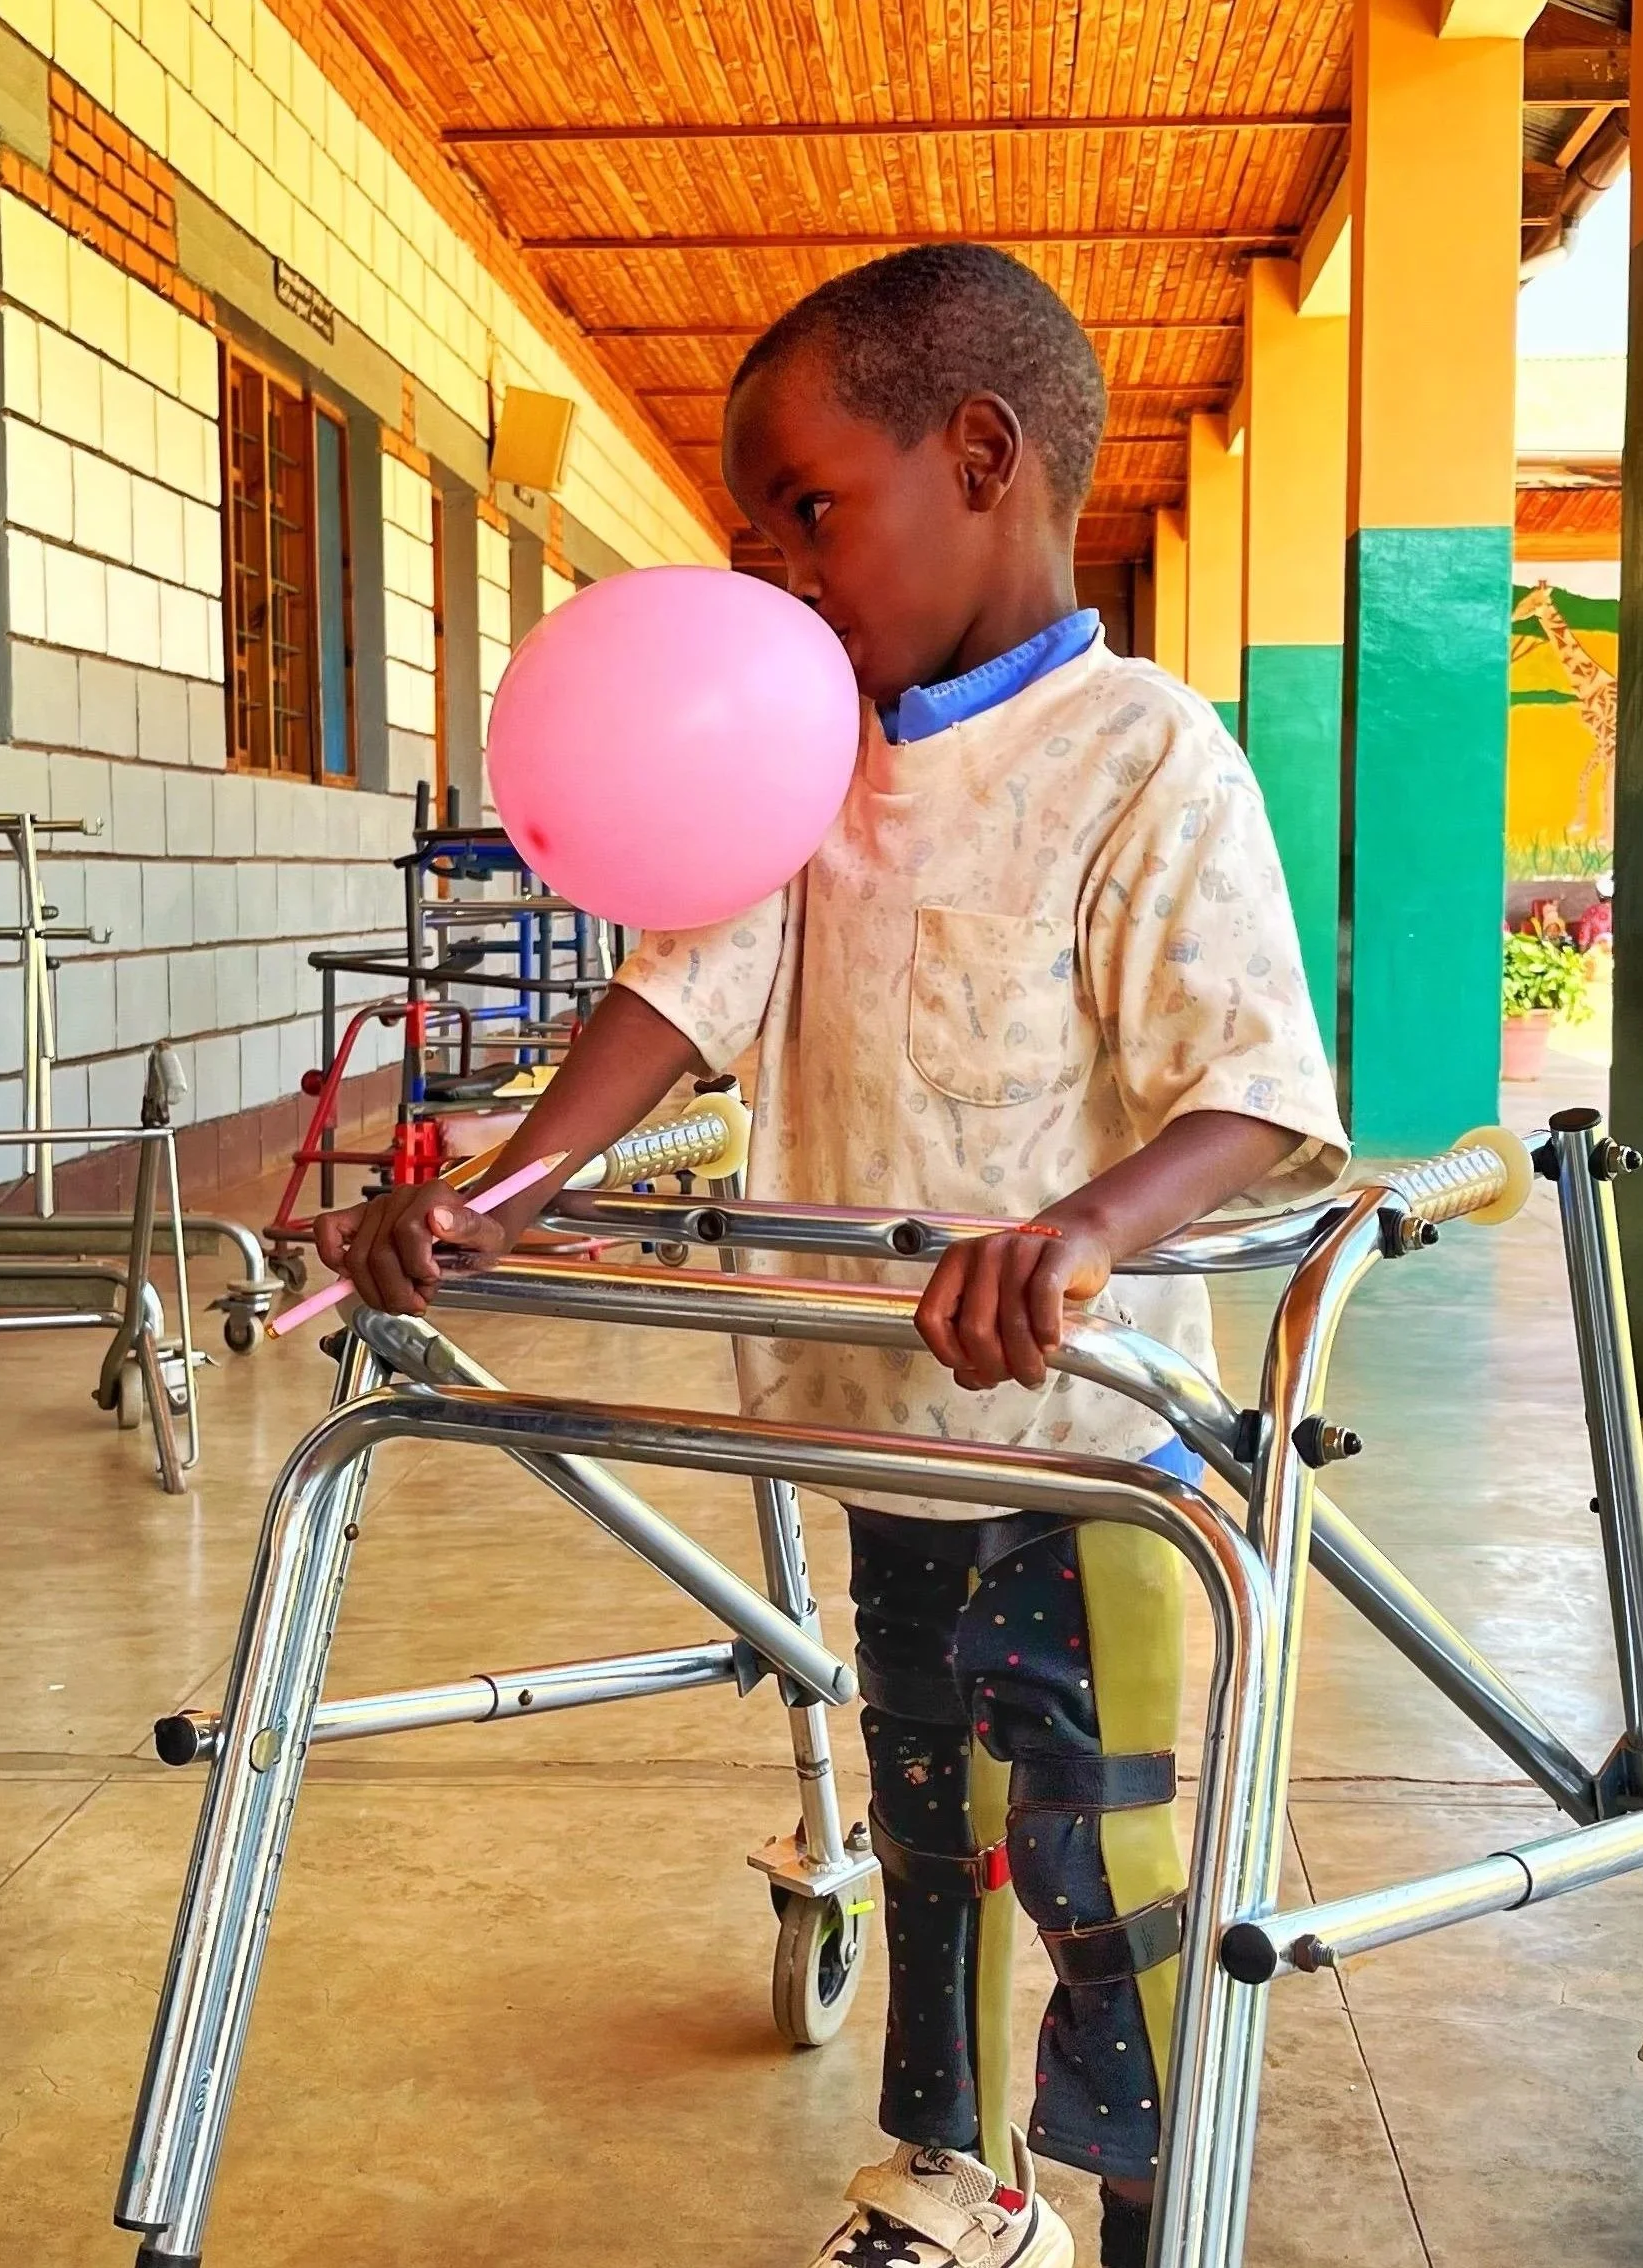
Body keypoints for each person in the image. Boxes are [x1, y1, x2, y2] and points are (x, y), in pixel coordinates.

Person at [316, 244, 1348, 2268]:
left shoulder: (1146, 760)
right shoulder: (809, 757)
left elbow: (1251, 1091)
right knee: (937, 1840)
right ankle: (953, 2184)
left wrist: (1080, 1229)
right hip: (885, 1432)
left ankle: (1152, 2206)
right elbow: (671, 1000)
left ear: (983, 457)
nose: (778, 566)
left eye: (812, 507)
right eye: (749, 528)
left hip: (1081, 1454)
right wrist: (490, 1192)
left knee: (1095, 1846)